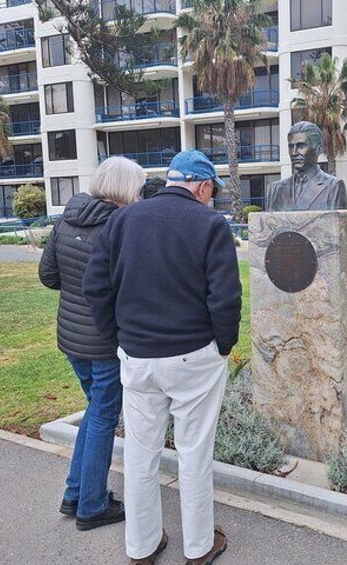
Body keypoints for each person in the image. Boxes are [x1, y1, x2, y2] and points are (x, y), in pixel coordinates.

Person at [83, 150, 241, 565]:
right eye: (212, 192)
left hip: (138, 354)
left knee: (140, 454)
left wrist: (119, 337)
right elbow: (224, 297)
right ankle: (199, 546)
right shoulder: (210, 224)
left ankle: (142, 546)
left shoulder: (122, 220)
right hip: (193, 356)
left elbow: (94, 287)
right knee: (194, 453)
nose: (211, 199)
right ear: (203, 187)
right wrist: (224, 346)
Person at [38, 156, 146, 531]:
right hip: (105, 340)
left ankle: (74, 493)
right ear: (126, 188)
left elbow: (48, 275)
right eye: (138, 187)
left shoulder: (66, 218)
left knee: (93, 410)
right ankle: (92, 504)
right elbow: (129, 284)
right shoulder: (119, 225)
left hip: (70, 338)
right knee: (102, 415)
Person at [265, 121, 347, 211]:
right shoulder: (276, 189)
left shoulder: (334, 187)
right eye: (291, 147)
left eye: (301, 146)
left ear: (318, 149)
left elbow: (337, 223)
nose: (294, 153)